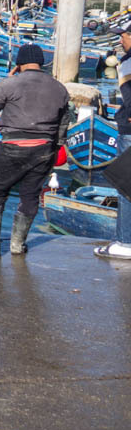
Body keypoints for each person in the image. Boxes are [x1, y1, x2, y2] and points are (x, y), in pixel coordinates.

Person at [0, 44, 71, 254]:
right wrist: (55, 147)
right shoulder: (59, 88)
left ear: (19, 64)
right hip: (44, 149)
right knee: (30, 196)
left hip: (12, 146)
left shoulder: (11, 83)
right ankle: (17, 244)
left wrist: (7, 80)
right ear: (41, 63)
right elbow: (63, 123)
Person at [96, 22, 131, 260]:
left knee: (126, 187)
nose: (120, 40)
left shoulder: (128, 62)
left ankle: (125, 242)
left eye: (124, 36)